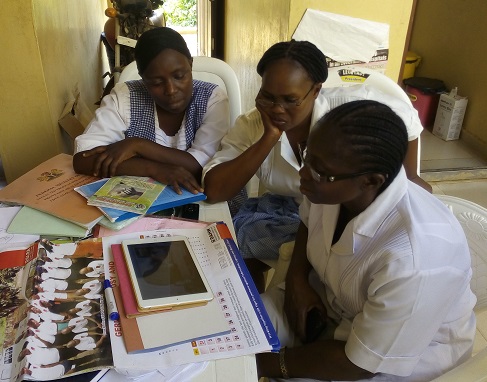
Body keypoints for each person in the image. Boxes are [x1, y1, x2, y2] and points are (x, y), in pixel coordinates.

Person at [256, 100, 476, 381]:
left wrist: (268, 365)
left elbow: (358, 363)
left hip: (393, 354)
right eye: (307, 155)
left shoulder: (414, 257)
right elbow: (308, 221)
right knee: (232, 331)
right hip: (328, 301)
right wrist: (298, 279)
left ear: (370, 181)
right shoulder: (330, 186)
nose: (303, 173)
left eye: (318, 170)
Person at [202, 40, 431, 291]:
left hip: (352, 213)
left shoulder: (352, 112)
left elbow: (407, 127)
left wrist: (403, 180)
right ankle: (252, 308)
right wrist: (269, 137)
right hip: (293, 209)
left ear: (316, 91)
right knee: (237, 244)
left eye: (290, 100)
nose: (277, 109)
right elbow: (216, 189)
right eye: (267, 97)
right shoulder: (253, 125)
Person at [74, 27, 230, 194]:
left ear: (190, 65)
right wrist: (152, 169)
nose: (170, 90)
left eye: (179, 76)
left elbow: (199, 166)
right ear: (143, 78)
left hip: (203, 200)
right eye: (156, 83)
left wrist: (137, 145)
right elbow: (83, 160)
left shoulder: (212, 99)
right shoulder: (125, 97)